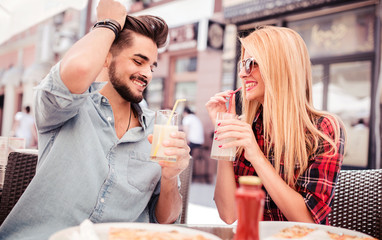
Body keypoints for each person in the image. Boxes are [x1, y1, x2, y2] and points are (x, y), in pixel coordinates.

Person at [0, 0, 190, 239]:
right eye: (138, 61)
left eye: (152, 66)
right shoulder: (67, 106)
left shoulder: (157, 128)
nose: (147, 74)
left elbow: (166, 219)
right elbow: (79, 68)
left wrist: (170, 177)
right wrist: (107, 23)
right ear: (106, 57)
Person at [205, 26, 345, 225]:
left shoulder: (323, 129)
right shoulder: (249, 126)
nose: (243, 74)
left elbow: (307, 222)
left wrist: (255, 154)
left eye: (252, 63)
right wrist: (224, 135)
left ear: (281, 67)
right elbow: (228, 214)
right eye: (242, 64)